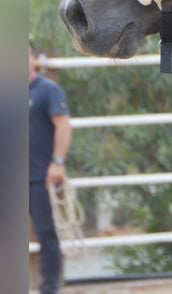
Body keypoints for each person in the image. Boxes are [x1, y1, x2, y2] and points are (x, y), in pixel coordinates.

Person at [29, 43, 72, 294]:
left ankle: (48, 288)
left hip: (39, 176)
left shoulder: (47, 90)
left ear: (34, 59)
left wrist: (57, 162)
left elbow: (63, 125)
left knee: (47, 234)